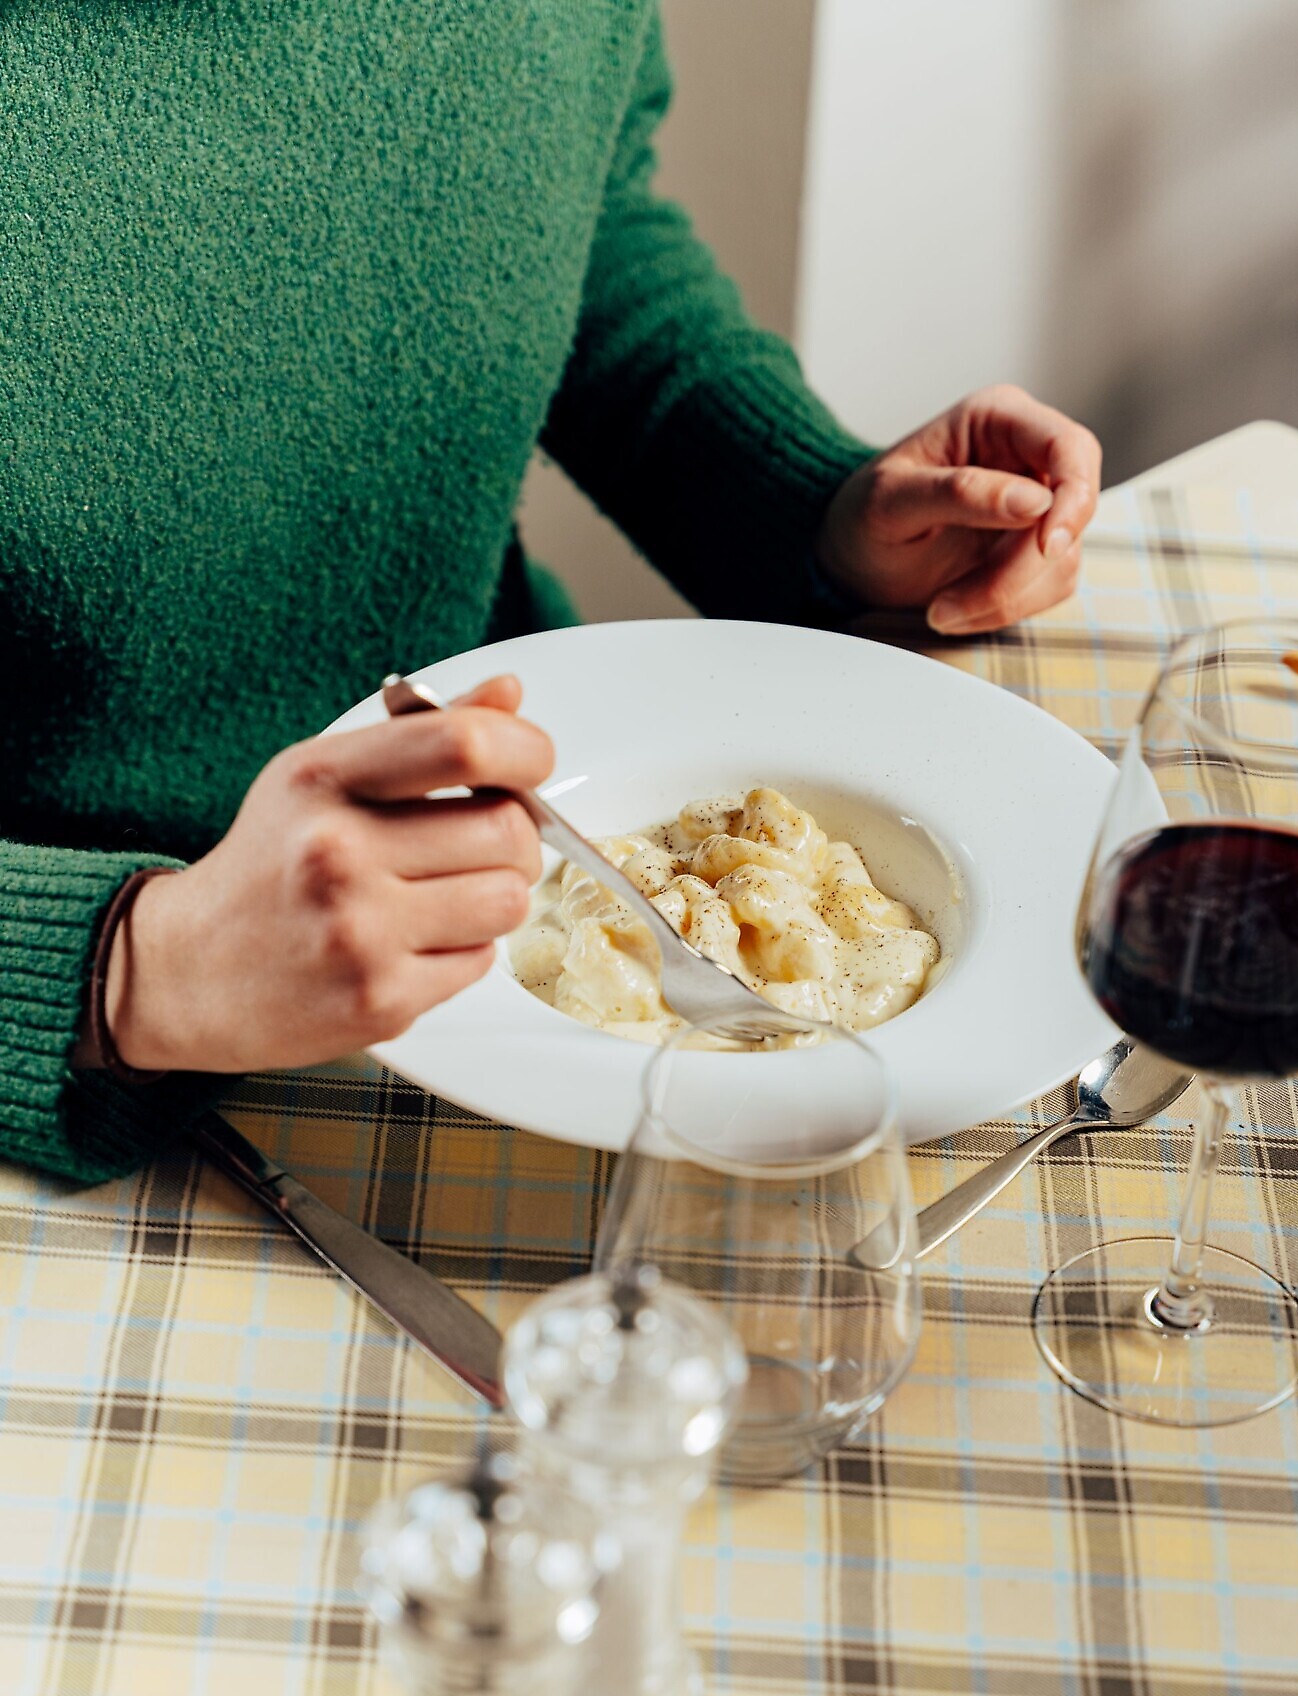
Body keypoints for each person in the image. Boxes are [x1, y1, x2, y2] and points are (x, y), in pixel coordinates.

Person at [0, 1, 1100, 1186]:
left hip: (532, 886)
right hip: (94, 1057)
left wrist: (815, 517)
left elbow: (575, 228)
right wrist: (127, 966)